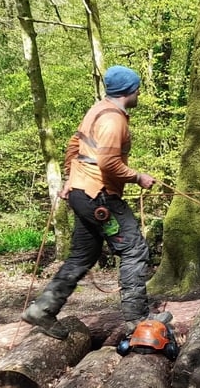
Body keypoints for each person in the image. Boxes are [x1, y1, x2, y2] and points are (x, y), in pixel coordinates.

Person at [21, 65, 170, 339]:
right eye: (137, 88)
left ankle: (42, 309)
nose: (138, 92)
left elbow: (73, 145)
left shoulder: (97, 109)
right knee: (134, 250)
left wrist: (70, 180)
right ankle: (138, 321)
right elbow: (108, 162)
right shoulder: (114, 120)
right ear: (129, 91)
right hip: (100, 198)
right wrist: (138, 177)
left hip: (82, 193)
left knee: (83, 255)